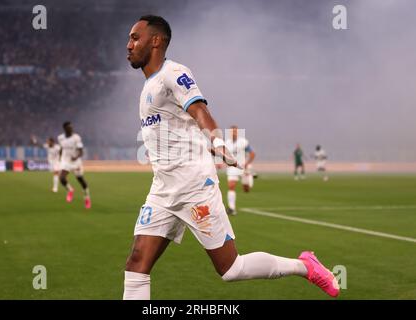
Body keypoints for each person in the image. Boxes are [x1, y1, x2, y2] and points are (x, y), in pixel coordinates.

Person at [123, 15, 339, 300]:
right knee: (137, 264)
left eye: (135, 38)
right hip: (162, 189)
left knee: (231, 269)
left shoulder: (173, 73)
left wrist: (217, 141)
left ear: (156, 41)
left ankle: (305, 266)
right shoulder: (148, 85)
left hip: (193, 186)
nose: (128, 45)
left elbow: (200, 110)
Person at [58, 122, 91, 209]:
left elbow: (81, 151)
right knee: (61, 178)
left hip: (76, 161)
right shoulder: (60, 138)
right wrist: (60, 157)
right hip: (66, 161)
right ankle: (70, 190)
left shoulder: (76, 138)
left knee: (80, 179)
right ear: (65, 129)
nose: (71, 129)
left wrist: (76, 157)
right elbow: (61, 148)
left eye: (71, 127)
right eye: (69, 127)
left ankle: (87, 198)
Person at [225, 125, 256, 215]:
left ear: (238, 132)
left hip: (243, 167)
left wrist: (247, 163)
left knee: (246, 189)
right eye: (232, 131)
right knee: (231, 186)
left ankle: (249, 176)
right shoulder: (227, 143)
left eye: (235, 131)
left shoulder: (243, 142)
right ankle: (231, 208)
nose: (233, 133)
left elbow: (252, 154)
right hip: (232, 168)